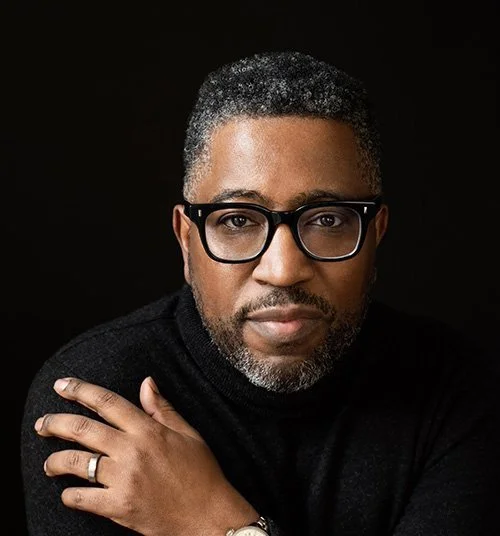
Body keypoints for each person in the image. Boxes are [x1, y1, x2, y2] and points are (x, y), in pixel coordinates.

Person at [20, 50, 500, 536]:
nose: (284, 271)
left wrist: (212, 521)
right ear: (186, 240)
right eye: (237, 221)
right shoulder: (99, 400)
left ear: (375, 233)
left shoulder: (457, 391)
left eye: (327, 219)